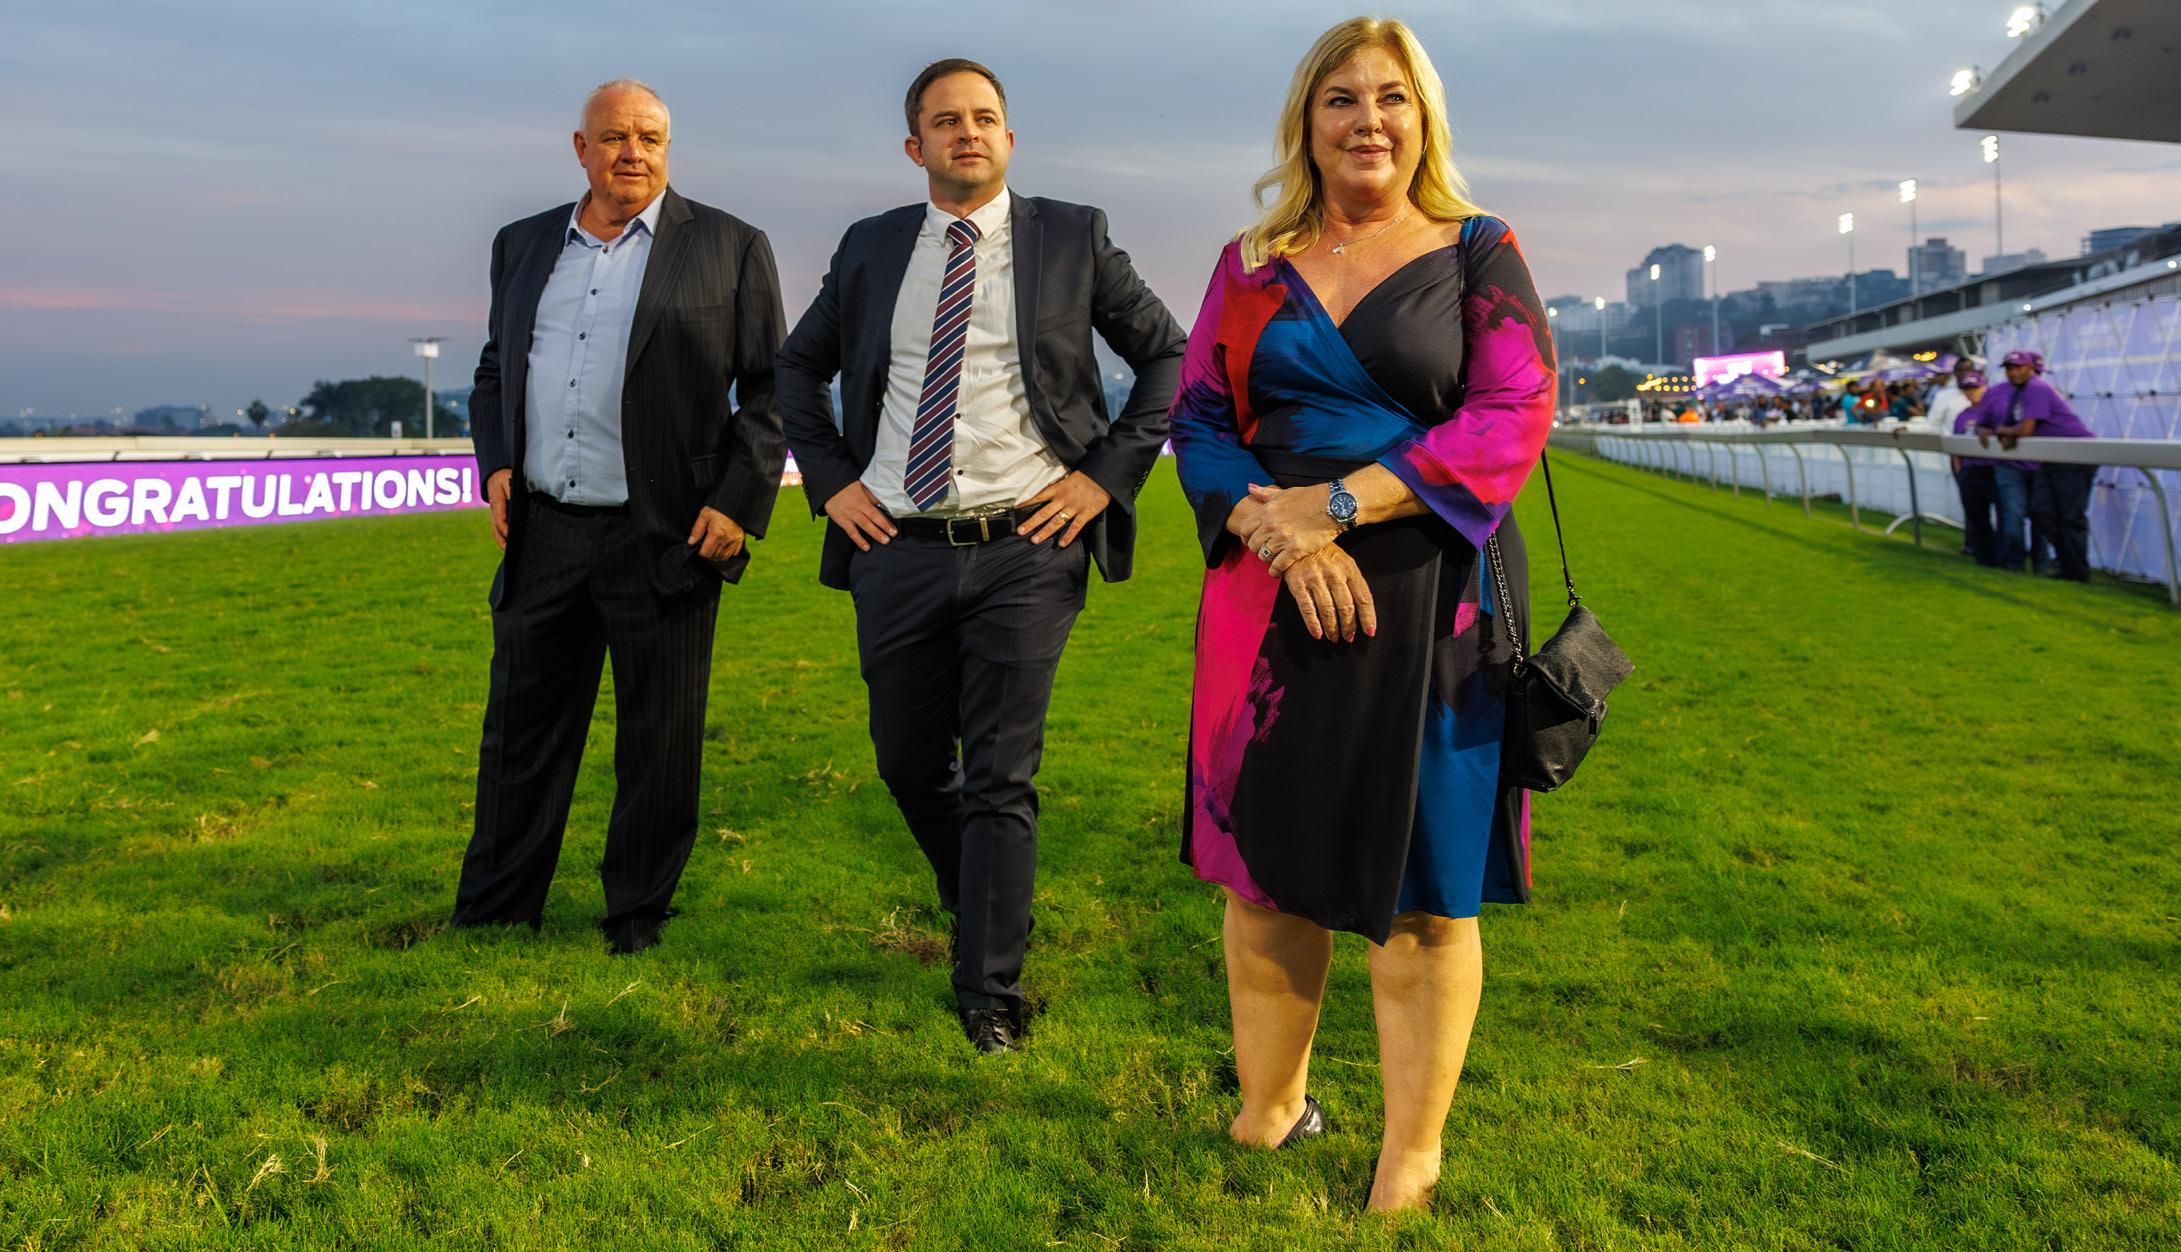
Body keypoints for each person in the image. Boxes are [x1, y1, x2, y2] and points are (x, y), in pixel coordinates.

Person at [1168, 17, 1554, 1213]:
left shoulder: (1478, 250)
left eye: (1391, 97)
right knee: (1264, 875)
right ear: (1307, 122)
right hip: (1268, 595)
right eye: (1341, 98)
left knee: (1428, 891)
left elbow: (1514, 410)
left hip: (1436, 599)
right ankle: (1269, 1106)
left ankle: (1410, 1151)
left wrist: (1336, 505)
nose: (1368, 119)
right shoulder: (1249, 264)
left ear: (1423, 118)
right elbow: (1198, 421)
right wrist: (1274, 531)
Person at [776, 59, 1185, 1055]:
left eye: (986, 117)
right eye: (946, 120)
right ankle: (983, 897)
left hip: (1027, 546)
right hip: (896, 543)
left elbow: (1170, 356)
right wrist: (831, 481)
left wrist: (1103, 479)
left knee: (1001, 772)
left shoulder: (1073, 236)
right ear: (913, 145)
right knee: (907, 759)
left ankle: (989, 989)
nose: (969, 132)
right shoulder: (872, 246)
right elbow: (796, 365)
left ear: (1010, 137)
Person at [452, 80, 788, 954]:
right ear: (580, 149)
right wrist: (496, 462)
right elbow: (495, 369)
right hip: (544, 531)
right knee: (519, 732)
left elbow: (770, 389)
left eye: (649, 138)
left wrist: (738, 502)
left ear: (668, 147)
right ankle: (494, 913)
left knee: (658, 740)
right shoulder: (522, 244)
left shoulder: (729, 245)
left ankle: (635, 917)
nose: (632, 152)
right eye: (613, 138)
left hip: (667, 533)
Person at [1976, 349, 2099, 581]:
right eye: (2009, 368)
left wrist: (2005, 431)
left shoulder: (2036, 388)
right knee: (2041, 511)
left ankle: (2076, 571)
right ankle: (2068, 563)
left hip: (2074, 456)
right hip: (2052, 457)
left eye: (2018, 367)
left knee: (2070, 516)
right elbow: (2006, 426)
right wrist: (2002, 430)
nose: (2013, 372)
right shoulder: (2019, 393)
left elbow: (2024, 429)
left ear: (2030, 369)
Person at [1947, 371, 2001, 565]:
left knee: (2005, 515)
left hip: (1994, 469)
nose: (1972, 393)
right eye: (1967, 389)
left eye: (1975, 388)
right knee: (1976, 517)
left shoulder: (1996, 412)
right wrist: (1960, 473)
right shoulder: (1962, 416)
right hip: (1971, 470)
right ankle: (1984, 557)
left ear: (1984, 388)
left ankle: (2003, 556)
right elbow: (1955, 448)